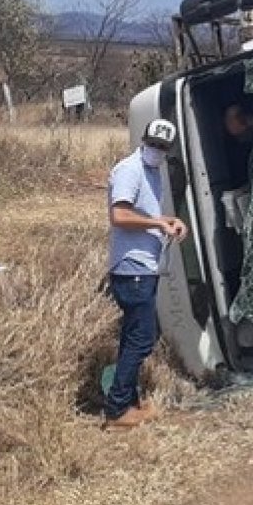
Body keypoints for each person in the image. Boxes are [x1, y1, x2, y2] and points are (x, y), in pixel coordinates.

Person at [103, 118, 188, 430]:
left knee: (134, 336)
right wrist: (157, 224)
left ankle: (128, 400)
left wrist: (168, 220)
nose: (156, 151)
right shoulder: (130, 169)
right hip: (132, 268)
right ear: (143, 140)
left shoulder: (152, 171)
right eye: (153, 144)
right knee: (142, 338)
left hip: (144, 267)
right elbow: (120, 215)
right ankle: (116, 410)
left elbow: (143, 215)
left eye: (163, 148)